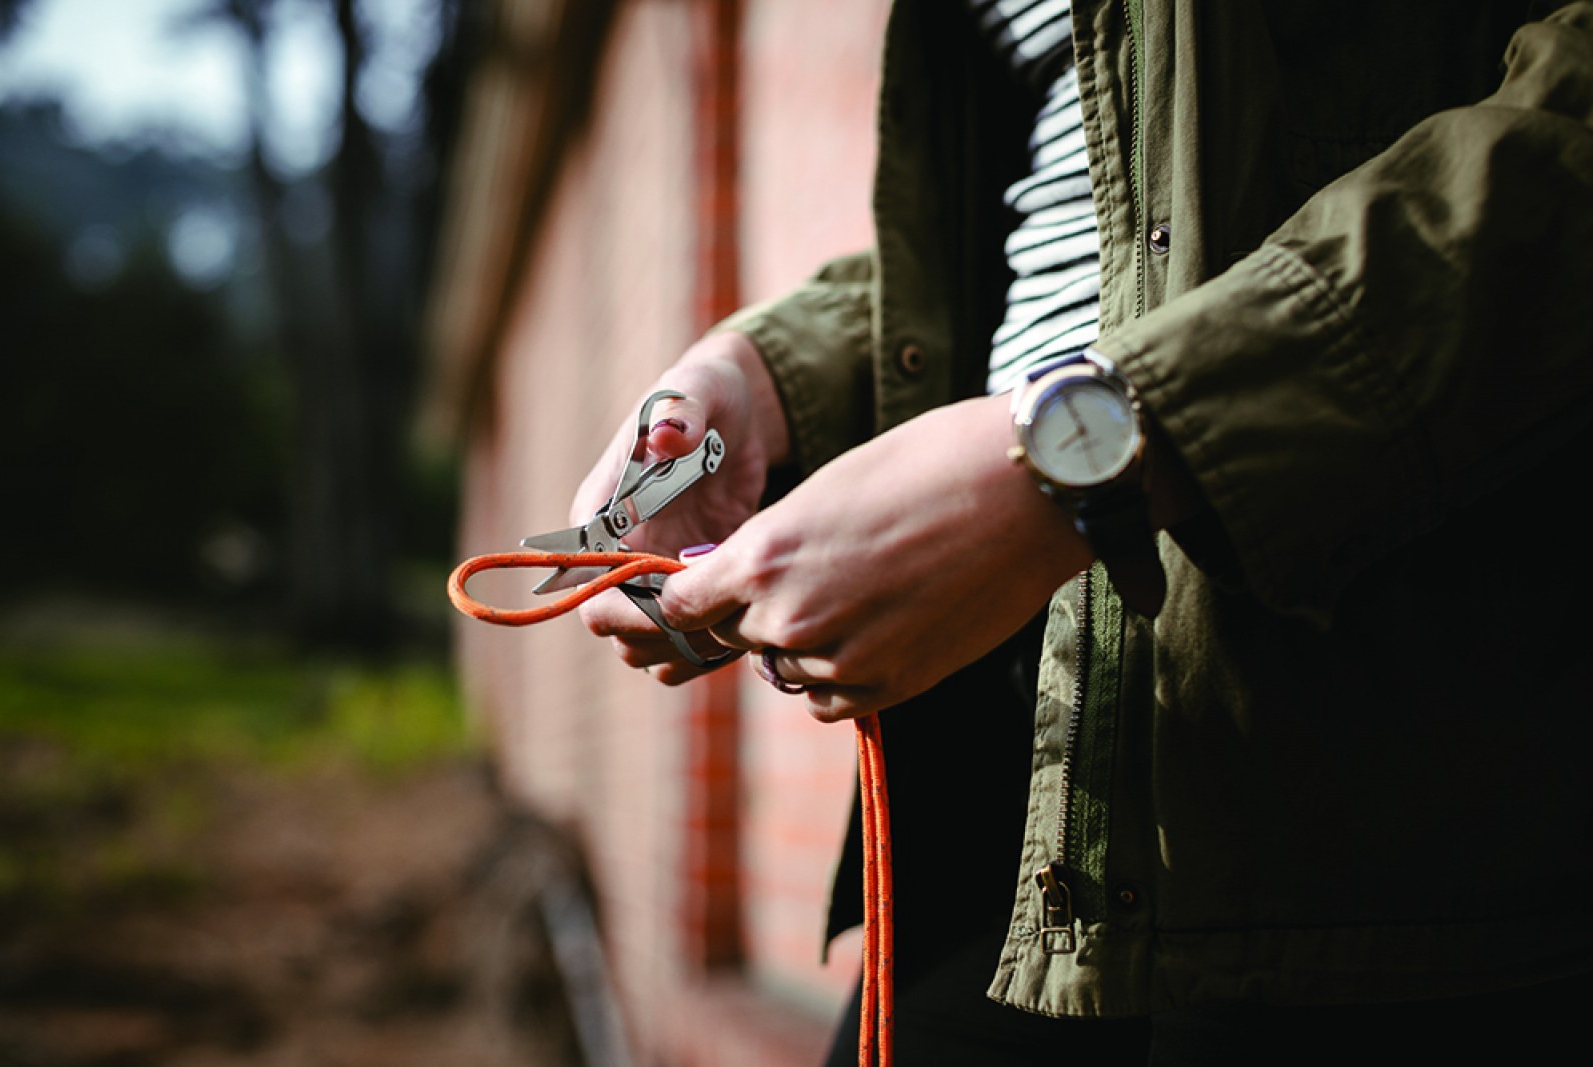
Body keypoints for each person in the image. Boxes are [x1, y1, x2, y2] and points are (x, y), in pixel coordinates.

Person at [569, 1, 1593, 1062]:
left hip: (1364, 775)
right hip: (1005, 743)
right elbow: (1086, 204)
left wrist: (1089, 453)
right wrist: (761, 375)